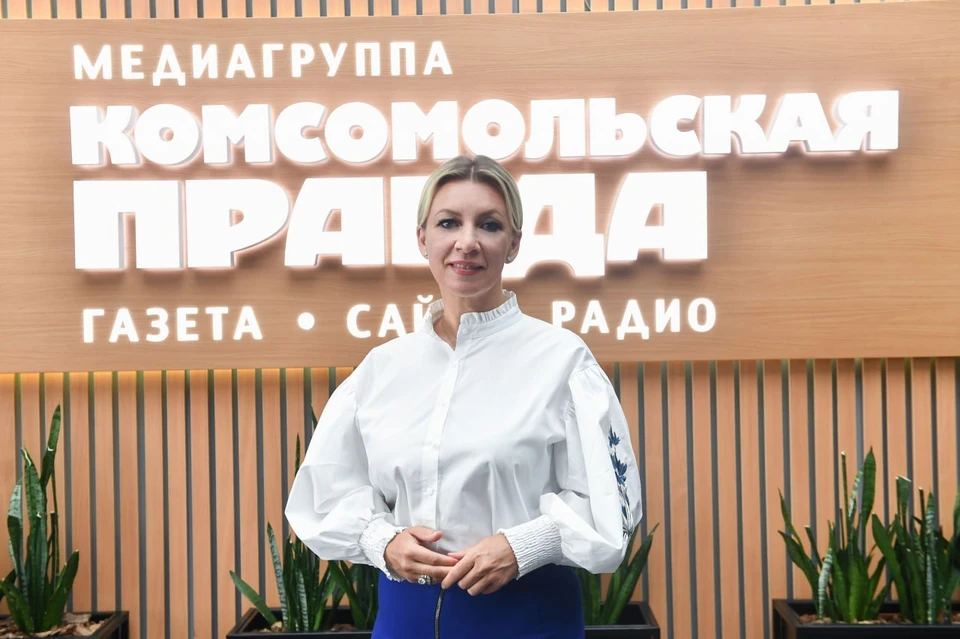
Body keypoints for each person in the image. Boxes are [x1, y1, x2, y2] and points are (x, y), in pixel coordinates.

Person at [285, 155, 643, 638]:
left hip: (529, 620)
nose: (467, 242)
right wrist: (381, 540)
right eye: (448, 223)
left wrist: (523, 545)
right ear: (423, 239)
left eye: (489, 225)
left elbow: (610, 505)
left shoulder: (563, 361)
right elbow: (325, 492)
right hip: (404, 622)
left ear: (513, 244)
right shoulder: (381, 369)